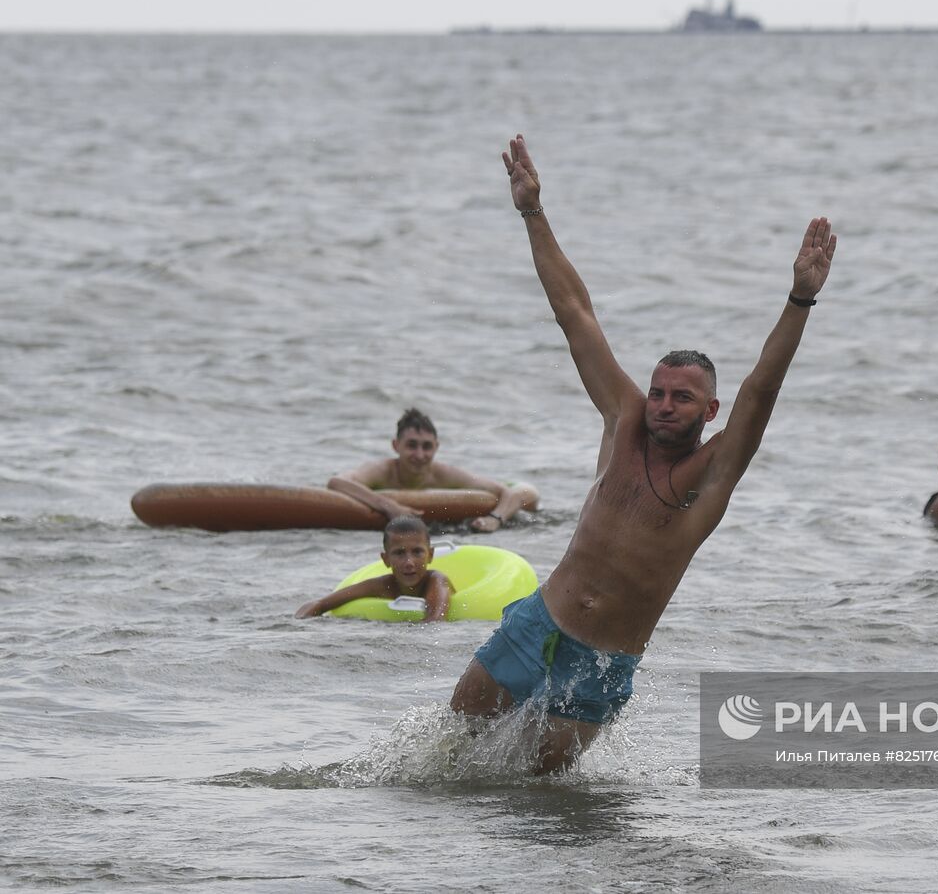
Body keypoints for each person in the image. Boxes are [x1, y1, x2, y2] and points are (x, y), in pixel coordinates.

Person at [449, 134, 838, 773]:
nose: (660, 404)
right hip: (536, 627)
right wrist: (531, 212)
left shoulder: (711, 475)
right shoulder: (623, 421)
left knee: (540, 803)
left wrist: (800, 299)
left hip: (603, 663)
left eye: (680, 398)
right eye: (656, 391)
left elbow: (762, 390)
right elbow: (575, 314)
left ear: (709, 412)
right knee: (442, 760)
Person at [328, 407, 539, 533]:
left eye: (427, 446)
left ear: (436, 447)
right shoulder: (382, 470)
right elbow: (336, 483)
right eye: (412, 445)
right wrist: (388, 505)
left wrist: (495, 519)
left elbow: (509, 493)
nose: (420, 455)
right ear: (395, 445)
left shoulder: (445, 474)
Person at [295, 516, 452, 621]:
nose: (409, 562)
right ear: (386, 559)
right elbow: (320, 604)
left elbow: (435, 620)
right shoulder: (383, 586)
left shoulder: (436, 581)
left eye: (417, 552)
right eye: (399, 553)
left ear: (430, 555)